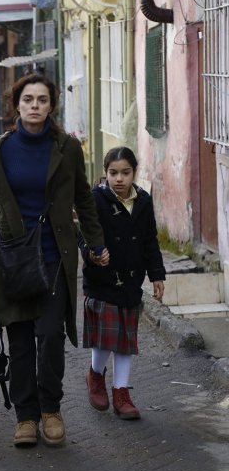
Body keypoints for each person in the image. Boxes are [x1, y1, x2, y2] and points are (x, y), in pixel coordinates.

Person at [0, 73, 108, 448]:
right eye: (28, 99)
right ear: (17, 104)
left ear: (51, 105)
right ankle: (25, 417)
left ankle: (51, 410)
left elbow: (84, 200)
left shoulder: (68, 148)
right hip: (12, 260)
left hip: (54, 259)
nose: (34, 106)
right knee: (22, 342)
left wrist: (96, 243)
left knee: (50, 338)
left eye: (42, 100)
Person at [79, 146, 165, 420]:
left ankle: (121, 392)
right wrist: (93, 253)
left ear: (134, 172)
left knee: (125, 341)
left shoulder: (143, 201)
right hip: (102, 281)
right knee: (105, 340)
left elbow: (150, 240)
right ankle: (95, 376)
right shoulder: (96, 199)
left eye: (125, 173)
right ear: (105, 174)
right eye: (113, 173)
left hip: (130, 282)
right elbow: (83, 234)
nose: (119, 179)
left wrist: (157, 274)